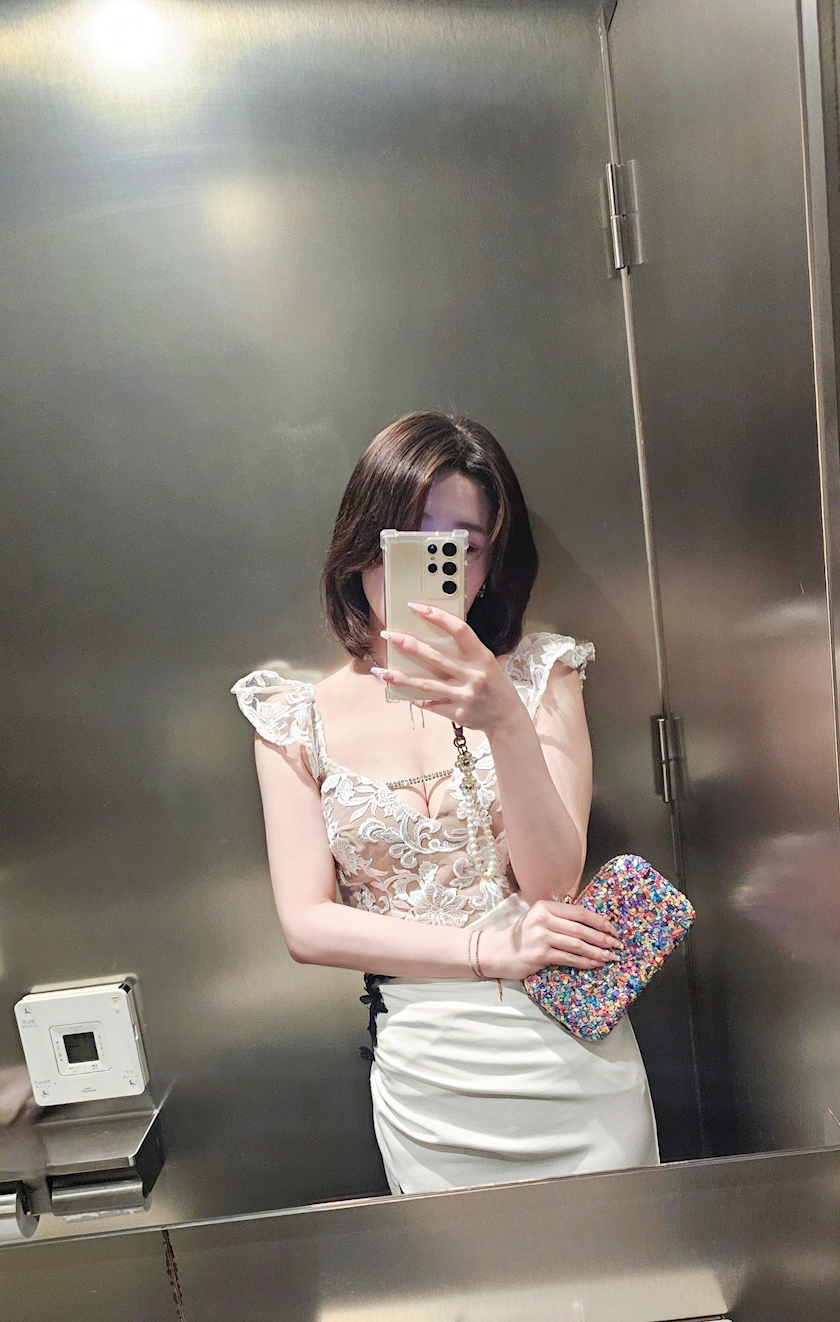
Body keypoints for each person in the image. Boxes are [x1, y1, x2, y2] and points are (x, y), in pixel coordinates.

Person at [232, 412, 659, 1194]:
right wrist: (484, 953)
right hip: (429, 1079)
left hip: (571, 1058)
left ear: (491, 564)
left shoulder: (541, 676)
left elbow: (553, 884)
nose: (437, 562)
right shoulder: (296, 718)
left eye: (465, 544)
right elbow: (306, 925)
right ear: (362, 544)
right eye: (410, 536)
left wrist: (504, 718)